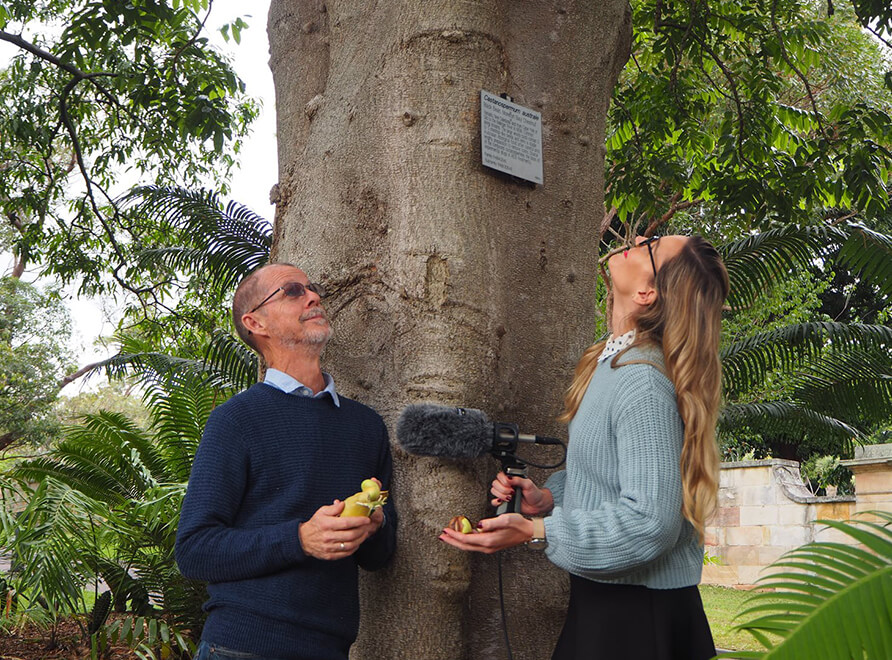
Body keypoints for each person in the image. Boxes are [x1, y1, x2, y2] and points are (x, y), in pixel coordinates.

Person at [440, 234, 729, 660]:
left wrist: (538, 531)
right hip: (611, 608)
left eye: (650, 245)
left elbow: (651, 521)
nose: (635, 238)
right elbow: (610, 476)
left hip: (636, 623)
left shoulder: (642, 381)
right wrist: (550, 498)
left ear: (647, 293)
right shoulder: (614, 362)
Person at [175, 263, 397, 660]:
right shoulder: (235, 420)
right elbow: (195, 550)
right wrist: (300, 539)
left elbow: (379, 559)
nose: (313, 296)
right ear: (255, 322)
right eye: (293, 291)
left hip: (331, 649)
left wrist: (374, 527)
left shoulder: (366, 426)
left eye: (313, 289)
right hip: (241, 647)